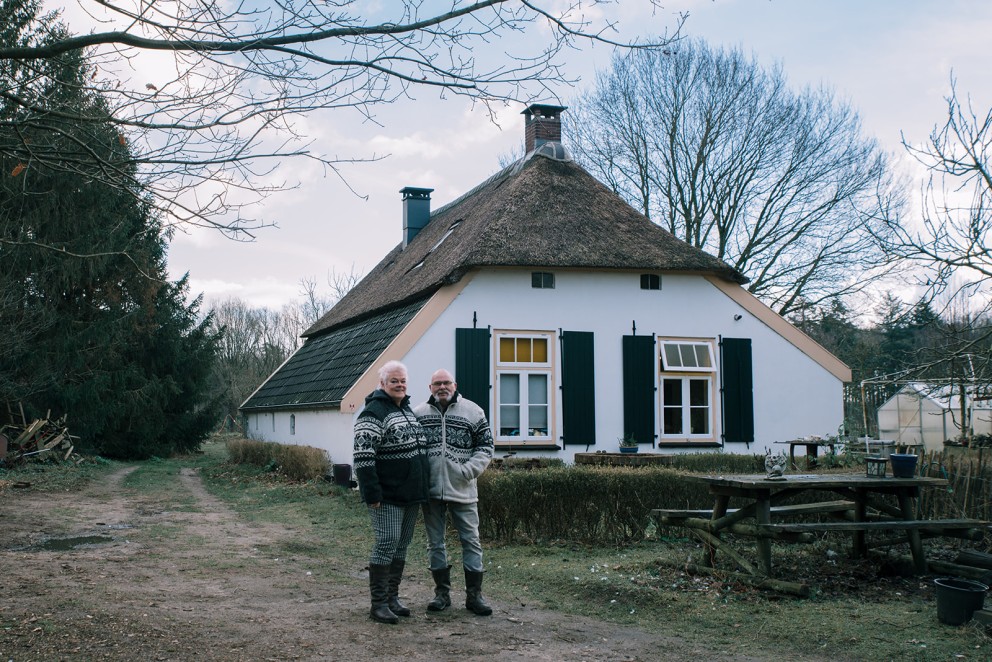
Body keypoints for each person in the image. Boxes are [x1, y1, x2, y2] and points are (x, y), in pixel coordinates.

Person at [353, 360, 430, 624]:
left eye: (403, 381)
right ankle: (378, 605)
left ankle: (392, 599)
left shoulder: (407, 410)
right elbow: (363, 459)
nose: (400, 385)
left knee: (401, 546)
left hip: (411, 494)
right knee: (386, 544)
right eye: (394, 381)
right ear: (382, 383)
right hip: (386, 496)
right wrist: (371, 493)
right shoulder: (373, 413)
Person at [413, 368, 495, 616]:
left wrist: (468, 471)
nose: (442, 387)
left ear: (455, 385)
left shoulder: (473, 411)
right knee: (434, 543)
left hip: (463, 489)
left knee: (471, 541)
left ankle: (474, 597)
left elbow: (486, 446)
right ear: (430, 388)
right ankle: (441, 594)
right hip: (431, 492)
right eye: (437, 383)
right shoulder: (418, 414)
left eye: (446, 382)